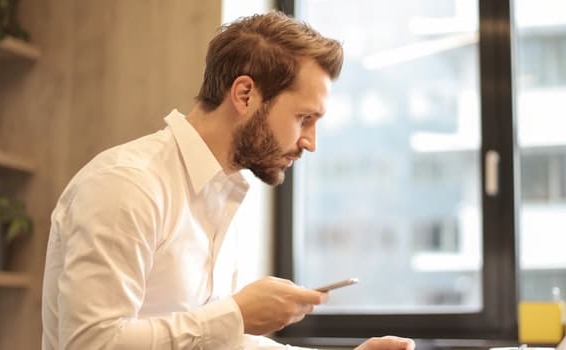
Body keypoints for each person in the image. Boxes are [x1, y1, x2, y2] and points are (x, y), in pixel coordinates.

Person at [41, 10, 415, 350]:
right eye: (304, 118)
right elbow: (90, 343)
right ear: (245, 94)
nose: (310, 143)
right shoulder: (127, 185)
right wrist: (235, 314)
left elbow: (216, 343)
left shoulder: (220, 196)